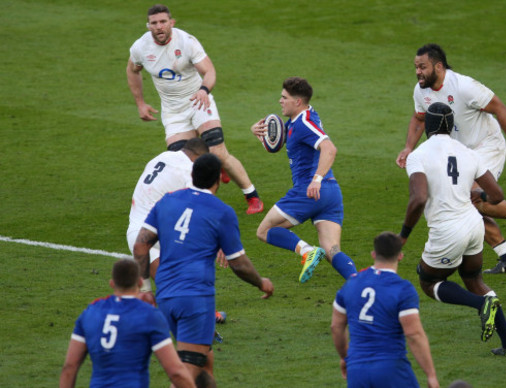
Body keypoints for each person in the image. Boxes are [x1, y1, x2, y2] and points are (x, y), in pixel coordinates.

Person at [395, 43, 506, 274]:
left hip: (486, 146)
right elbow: (419, 118)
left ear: (438, 66)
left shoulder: (464, 86)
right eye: (415, 67)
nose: (418, 72)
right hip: (458, 152)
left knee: (467, 200)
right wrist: (408, 147)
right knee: (463, 204)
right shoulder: (421, 90)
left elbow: (499, 108)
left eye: (422, 67)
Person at [133, 153, 274, 386]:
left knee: (205, 361)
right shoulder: (221, 211)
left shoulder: (167, 200)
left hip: (167, 296)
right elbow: (238, 263)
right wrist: (261, 282)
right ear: (218, 180)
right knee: (186, 371)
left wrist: (145, 288)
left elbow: (140, 245)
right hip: (195, 299)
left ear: (192, 175)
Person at [400, 102, 506, 358]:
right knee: (474, 279)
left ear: (427, 128)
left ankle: (481, 305)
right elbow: (498, 195)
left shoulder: (418, 155)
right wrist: (479, 193)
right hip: (474, 225)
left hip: (448, 230)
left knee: (429, 280)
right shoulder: (468, 152)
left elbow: (418, 199)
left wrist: (403, 236)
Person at [126, 4, 263, 215]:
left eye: (163, 22)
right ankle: (201, 204)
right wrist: (140, 104)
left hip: (199, 101)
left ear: (171, 23)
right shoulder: (140, 48)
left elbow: (210, 71)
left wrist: (203, 90)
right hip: (173, 112)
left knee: (218, 153)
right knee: (185, 163)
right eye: (154, 23)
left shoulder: (186, 42)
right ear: (148, 26)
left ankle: (252, 196)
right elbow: (132, 70)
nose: (159, 27)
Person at [250, 77, 357, 283]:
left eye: (284, 97)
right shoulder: (302, 119)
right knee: (331, 251)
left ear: (297, 101)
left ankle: (306, 251)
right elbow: (281, 141)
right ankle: (359, 283)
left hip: (309, 191)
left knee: (265, 231)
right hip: (330, 194)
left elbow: (329, 148)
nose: (280, 101)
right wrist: (258, 133)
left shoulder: (304, 123)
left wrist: (316, 179)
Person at [126, 138, 226, 324]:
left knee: (169, 284)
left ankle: (147, 303)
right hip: (156, 235)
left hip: (135, 232)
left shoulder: (161, 157)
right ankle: (198, 316)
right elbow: (201, 207)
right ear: (199, 158)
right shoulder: (188, 171)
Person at [59, 259, 195, 388]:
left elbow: (70, 367)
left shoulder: (90, 312)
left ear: (112, 283)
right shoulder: (149, 315)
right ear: (140, 282)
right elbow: (175, 372)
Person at [331, 232, 439, 388]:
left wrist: (344, 357)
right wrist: (431, 375)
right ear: (400, 256)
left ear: (374, 254)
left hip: (356, 370)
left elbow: (336, 327)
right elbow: (413, 334)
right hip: (391, 369)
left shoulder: (351, 283)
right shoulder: (403, 289)